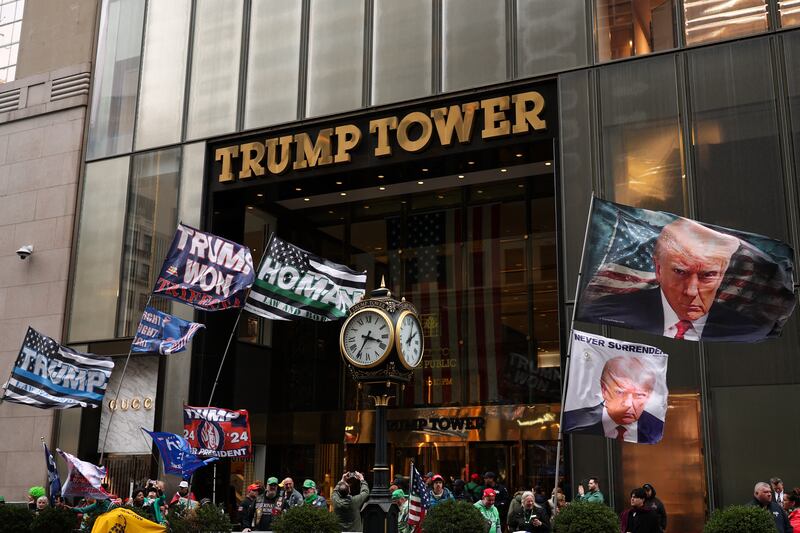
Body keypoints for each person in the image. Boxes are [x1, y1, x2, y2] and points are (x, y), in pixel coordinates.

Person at [579, 218, 772, 342]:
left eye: (708, 275)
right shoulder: (606, 311)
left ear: (722, 274)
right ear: (658, 269)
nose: (690, 291)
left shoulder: (746, 328)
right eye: (680, 272)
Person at [562, 356, 664, 444]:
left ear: (649, 396)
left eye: (638, 395)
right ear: (604, 390)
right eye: (620, 392)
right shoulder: (576, 421)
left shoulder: (657, 428)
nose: (628, 404)